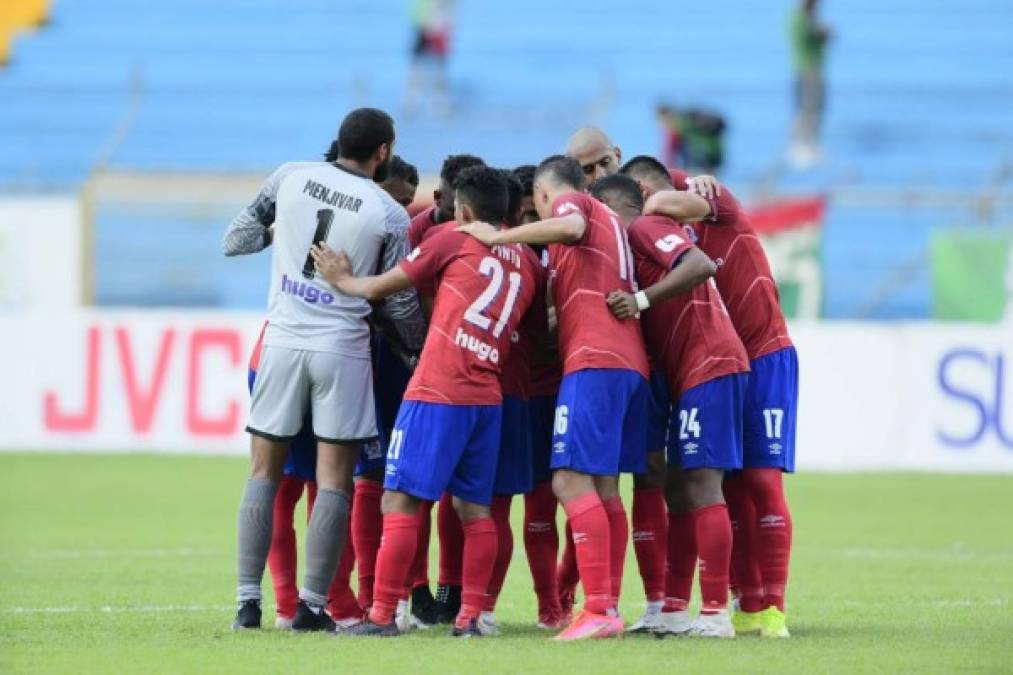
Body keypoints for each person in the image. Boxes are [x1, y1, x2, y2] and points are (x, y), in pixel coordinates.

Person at [314, 165, 539, 637]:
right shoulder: (527, 262)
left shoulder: (453, 238)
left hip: (438, 388)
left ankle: (380, 617)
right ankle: (471, 617)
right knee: (475, 509)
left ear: (463, 209)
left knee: (401, 500)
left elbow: (380, 289)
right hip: (487, 395)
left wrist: (342, 278)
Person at [223, 107, 426, 632]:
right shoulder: (390, 214)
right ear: (383, 152)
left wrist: (282, 235)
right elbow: (398, 306)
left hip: (282, 342)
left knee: (263, 472)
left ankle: (248, 604)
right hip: (342, 348)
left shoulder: (290, 176)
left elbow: (235, 239)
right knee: (335, 481)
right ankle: (313, 607)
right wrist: (419, 350)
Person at [458, 155, 649, 641]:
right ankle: (606, 606)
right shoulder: (608, 224)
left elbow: (568, 222)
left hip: (595, 361)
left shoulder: (571, 202)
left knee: (567, 481)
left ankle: (600, 608)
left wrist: (498, 237)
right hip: (627, 362)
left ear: (543, 194)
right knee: (604, 489)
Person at [621, 155, 798, 639]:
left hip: (761, 353)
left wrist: (655, 202)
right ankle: (734, 601)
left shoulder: (707, 202)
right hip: (714, 361)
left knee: (757, 481)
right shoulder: (658, 237)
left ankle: (769, 608)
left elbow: (683, 197)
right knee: (707, 482)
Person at [591, 173, 750, 638]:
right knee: (679, 491)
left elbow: (700, 263)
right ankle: (674, 609)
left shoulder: (643, 228)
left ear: (609, 210)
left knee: (702, 484)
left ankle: (717, 612)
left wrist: (640, 299)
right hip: (690, 373)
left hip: (711, 362)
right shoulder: (629, 249)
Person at [788, 0, 831, 168]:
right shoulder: (800, 18)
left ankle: (810, 143)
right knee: (808, 107)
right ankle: (802, 145)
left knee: (815, 107)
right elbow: (813, 35)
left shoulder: (807, 18)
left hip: (813, 68)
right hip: (808, 69)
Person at [405, 0, 455, 117]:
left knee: (437, 69)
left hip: (436, 28)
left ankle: (439, 104)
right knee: (419, 68)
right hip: (424, 27)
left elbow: (448, 9)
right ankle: (412, 102)